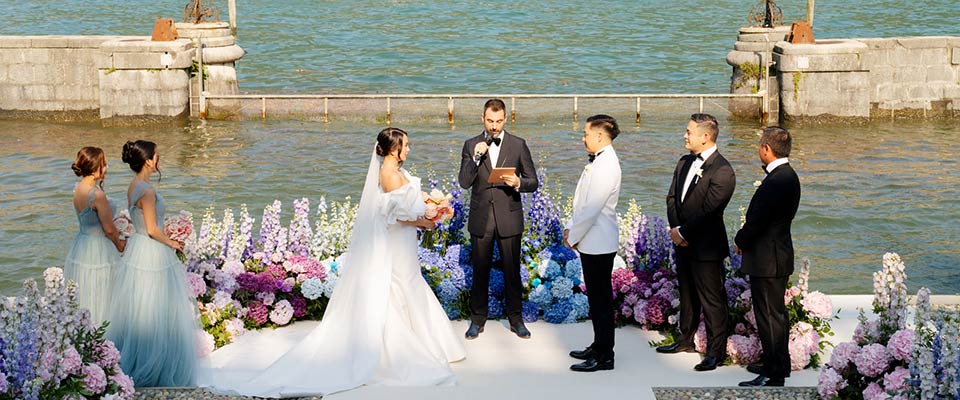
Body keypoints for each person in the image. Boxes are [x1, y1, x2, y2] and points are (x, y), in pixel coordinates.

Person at [200, 128, 466, 397]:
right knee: (400, 287)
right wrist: (426, 219)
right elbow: (393, 215)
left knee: (409, 284)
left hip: (404, 240)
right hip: (398, 240)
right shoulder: (388, 175)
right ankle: (403, 350)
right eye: (406, 145)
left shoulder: (398, 172)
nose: (409, 149)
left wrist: (435, 206)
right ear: (393, 148)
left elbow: (409, 202)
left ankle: (426, 342)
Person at [108, 140, 198, 387]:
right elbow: (151, 229)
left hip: (137, 249)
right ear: (148, 161)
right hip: (151, 251)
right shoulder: (147, 190)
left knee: (141, 307)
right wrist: (173, 243)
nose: (159, 158)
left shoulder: (134, 185)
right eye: (157, 155)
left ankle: (135, 361)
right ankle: (156, 366)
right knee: (157, 308)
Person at [657, 113, 735, 373]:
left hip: (706, 246)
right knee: (687, 294)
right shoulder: (683, 162)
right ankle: (685, 339)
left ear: (705, 136)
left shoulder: (723, 170)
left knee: (712, 299)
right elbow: (672, 197)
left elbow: (710, 212)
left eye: (689, 131)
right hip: (682, 242)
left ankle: (716, 352)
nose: (684, 135)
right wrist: (675, 230)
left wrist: (685, 233)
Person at [458, 98, 539, 340]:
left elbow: (533, 181)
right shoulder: (471, 144)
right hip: (481, 217)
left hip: (509, 218)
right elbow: (463, 182)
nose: (494, 126)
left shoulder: (518, 145)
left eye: (499, 121)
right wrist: (475, 158)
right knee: (480, 271)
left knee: (512, 271)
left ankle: (517, 320)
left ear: (506, 119)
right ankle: (477, 321)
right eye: (490, 121)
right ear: (482, 118)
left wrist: (519, 183)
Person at [735, 126, 801, 387]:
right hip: (777, 254)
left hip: (768, 258)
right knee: (775, 314)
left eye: (760, 146)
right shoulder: (788, 175)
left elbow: (758, 221)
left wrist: (741, 240)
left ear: (766, 149)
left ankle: (774, 372)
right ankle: (778, 363)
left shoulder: (777, 180)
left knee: (769, 316)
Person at [564, 115, 622, 372]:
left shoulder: (607, 164)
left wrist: (572, 235)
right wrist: (571, 226)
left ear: (600, 136)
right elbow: (582, 203)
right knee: (595, 299)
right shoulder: (600, 162)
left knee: (601, 301)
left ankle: (605, 355)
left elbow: (592, 208)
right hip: (592, 241)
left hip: (598, 242)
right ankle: (598, 345)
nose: (583, 137)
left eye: (586, 133)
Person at [65, 146, 126, 326]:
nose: (106, 167)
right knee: (102, 291)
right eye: (104, 164)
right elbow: (108, 229)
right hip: (99, 246)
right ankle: (103, 334)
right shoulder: (97, 194)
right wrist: (120, 243)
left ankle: (85, 332)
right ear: (94, 167)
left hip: (82, 243)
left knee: (87, 288)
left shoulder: (78, 189)